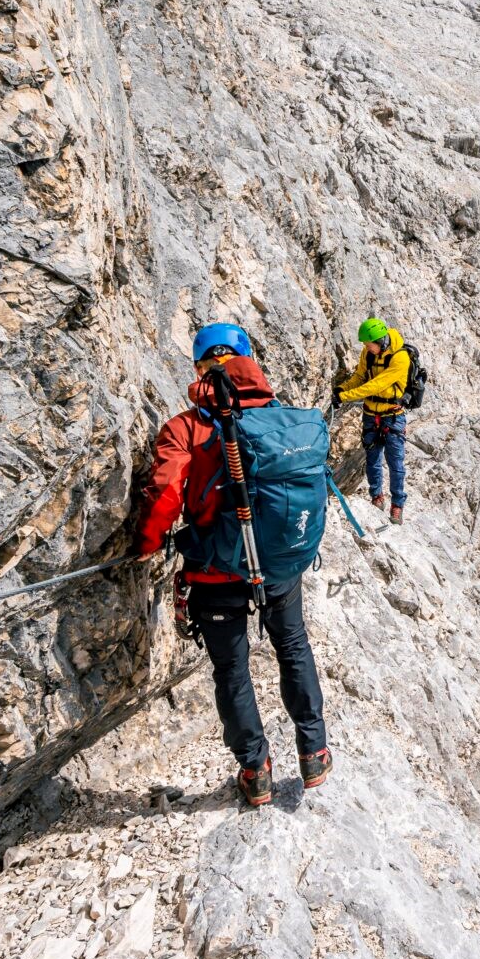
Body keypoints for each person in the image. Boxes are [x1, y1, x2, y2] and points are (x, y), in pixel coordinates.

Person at [134, 322, 332, 807]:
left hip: (215, 572)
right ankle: (314, 752)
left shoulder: (185, 427)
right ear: (247, 362)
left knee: (232, 670)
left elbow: (165, 494)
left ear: (201, 367)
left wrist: (146, 543)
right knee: (292, 646)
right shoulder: (278, 418)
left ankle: (256, 771)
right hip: (278, 565)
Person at [333, 317, 411, 524]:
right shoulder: (368, 353)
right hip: (370, 413)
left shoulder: (401, 358)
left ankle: (397, 505)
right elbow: (360, 376)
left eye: (369, 344)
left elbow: (376, 384)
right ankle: (376, 496)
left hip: (393, 415)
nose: (367, 348)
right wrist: (343, 388)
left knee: (395, 463)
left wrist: (346, 397)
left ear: (381, 340)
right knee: (372, 458)